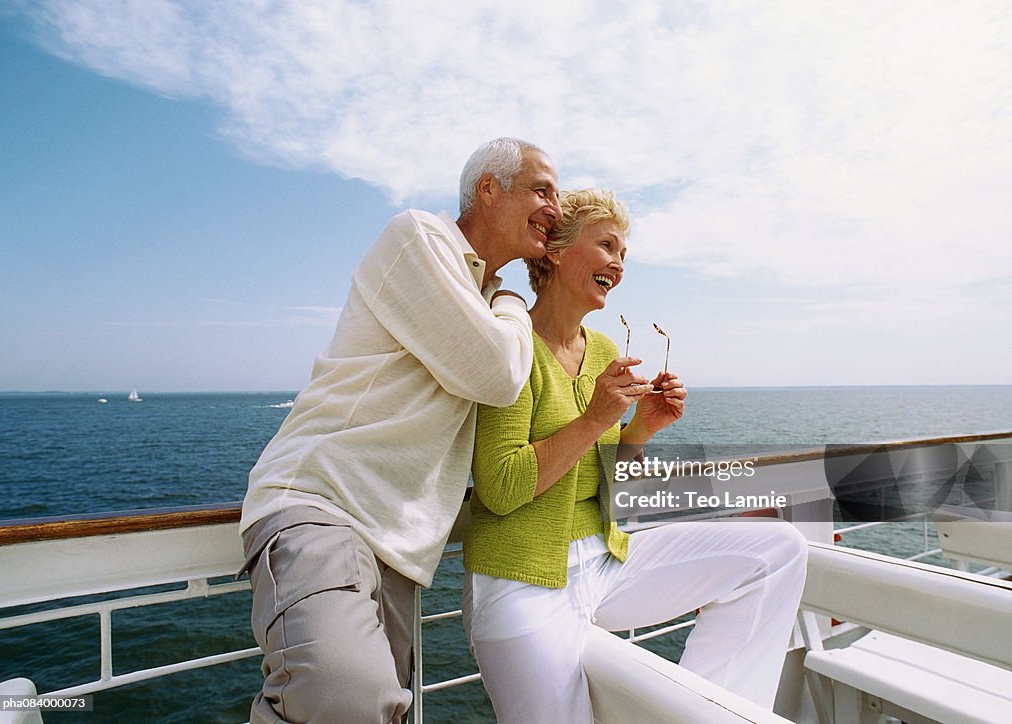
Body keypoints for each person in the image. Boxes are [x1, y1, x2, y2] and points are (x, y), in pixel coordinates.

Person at [239, 137, 562, 723]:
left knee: (371, 714)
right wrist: (516, 299)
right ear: (489, 189)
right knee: (345, 695)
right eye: (543, 190)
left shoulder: (481, 296)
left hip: (398, 548)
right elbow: (498, 374)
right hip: (324, 506)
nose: (556, 210)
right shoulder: (418, 238)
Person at [462, 189, 808, 722]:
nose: (619, 264)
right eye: (606, 246)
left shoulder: (602, 350)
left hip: (607, 562)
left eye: (624, 254)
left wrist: (641, 430)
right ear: (554, 251)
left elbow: (608, 485)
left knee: (777, 552)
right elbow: (502, 489)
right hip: (521, 582)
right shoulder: (514, 344)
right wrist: (598, 418)